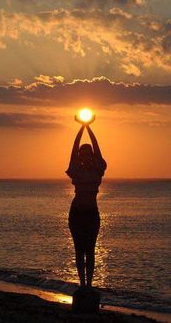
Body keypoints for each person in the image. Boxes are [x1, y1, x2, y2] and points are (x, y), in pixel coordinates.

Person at [66, 116, 107, 288]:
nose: (85, 156)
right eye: (83, 154)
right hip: (76, 214)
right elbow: (73, 151)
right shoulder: (76, 170)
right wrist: (80, 129)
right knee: (78, 250)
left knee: (90, 250)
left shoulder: (98, 170)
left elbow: (98, 151)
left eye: (88, 153)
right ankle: (82, 284)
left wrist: (89, 128)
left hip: (91, 213)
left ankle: (89, 285)